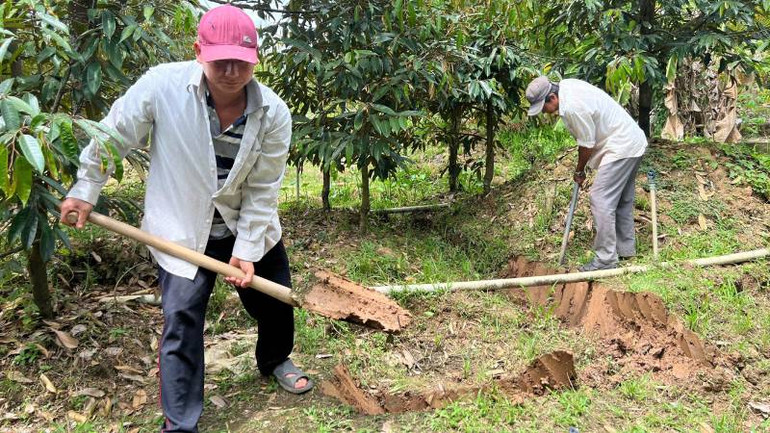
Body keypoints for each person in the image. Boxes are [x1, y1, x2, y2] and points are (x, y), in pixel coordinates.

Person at [60, 5, 312, 432]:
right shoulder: (162, 87)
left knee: (273, 302)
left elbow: (263, 188)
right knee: (181, 320)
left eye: (242, 62)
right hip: (180, 230)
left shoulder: (274, 112)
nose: (231, 71)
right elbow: (113, 137)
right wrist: (85, 190)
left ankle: (274, 359)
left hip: (244, 226)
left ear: (256, 59)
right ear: (199, 51)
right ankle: (181, 422)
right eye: (220, 61)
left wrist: (248, 250)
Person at [525, 76, 648, 271]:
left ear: (552, 98)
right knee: (621, 200)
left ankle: (606, 260)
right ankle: (625, 250)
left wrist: (579, 170)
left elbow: (586, 144)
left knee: (600, 199)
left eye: (543, 107)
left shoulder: (572, 107)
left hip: (620, 146)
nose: (544, 112)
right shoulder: (567, 85)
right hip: (632, 141)